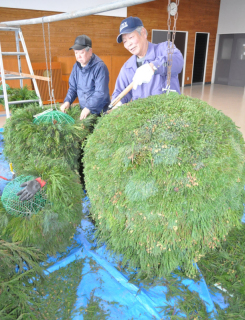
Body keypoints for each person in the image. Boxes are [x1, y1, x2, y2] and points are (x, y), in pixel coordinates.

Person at [112, 17, 184, 105]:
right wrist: (117, 103)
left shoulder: (164, 49)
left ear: (143, 33)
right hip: (141, 116)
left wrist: (154, 66)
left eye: (131, 37)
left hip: (167, 115)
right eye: (124, 41)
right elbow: (119, 91)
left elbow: (178, 62)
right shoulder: (127, 67)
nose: (128, 44)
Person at [60, 35, 110, 120]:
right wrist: (67, 101)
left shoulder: (100, 67)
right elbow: (73, 88)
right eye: (76, 52)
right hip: (85, 111)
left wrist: (89, 108)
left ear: (90, 51)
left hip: (100, 112)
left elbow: (100, 93)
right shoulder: (76, 66)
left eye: (81, 52)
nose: (78, 56)